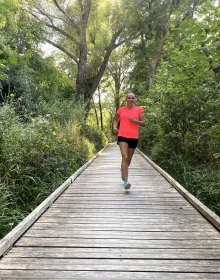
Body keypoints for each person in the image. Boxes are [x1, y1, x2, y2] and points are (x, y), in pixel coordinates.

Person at [113, 92, 145, 190]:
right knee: (124, 156)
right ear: (126, 99)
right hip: (122, 135)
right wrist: (114, 127)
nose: (131, 99)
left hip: (133, 137)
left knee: (128, 160)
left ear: (135, 99)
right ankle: (126, 181)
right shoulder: (121, 110)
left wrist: (135, 121)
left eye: (133, 98)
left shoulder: (139, 110)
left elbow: (143, 123)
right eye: (129, 98)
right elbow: (115, 120)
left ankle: (123, 171)